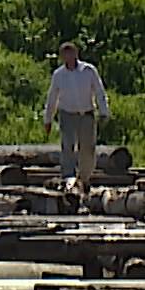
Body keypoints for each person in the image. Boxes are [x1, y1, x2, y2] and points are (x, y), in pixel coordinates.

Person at [42, 41, 110, 196]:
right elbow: (52, 97)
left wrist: (104, 111)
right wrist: (48, 119)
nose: (68, 57)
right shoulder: (59, 75)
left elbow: (99, 91)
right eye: (65, 54)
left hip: (86, 113)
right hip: (67, 114)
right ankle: (68, 179)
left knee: (87, 148)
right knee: (68, 147)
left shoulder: (88, 70)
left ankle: (84, 179)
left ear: (76, 54)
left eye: (71, 53)